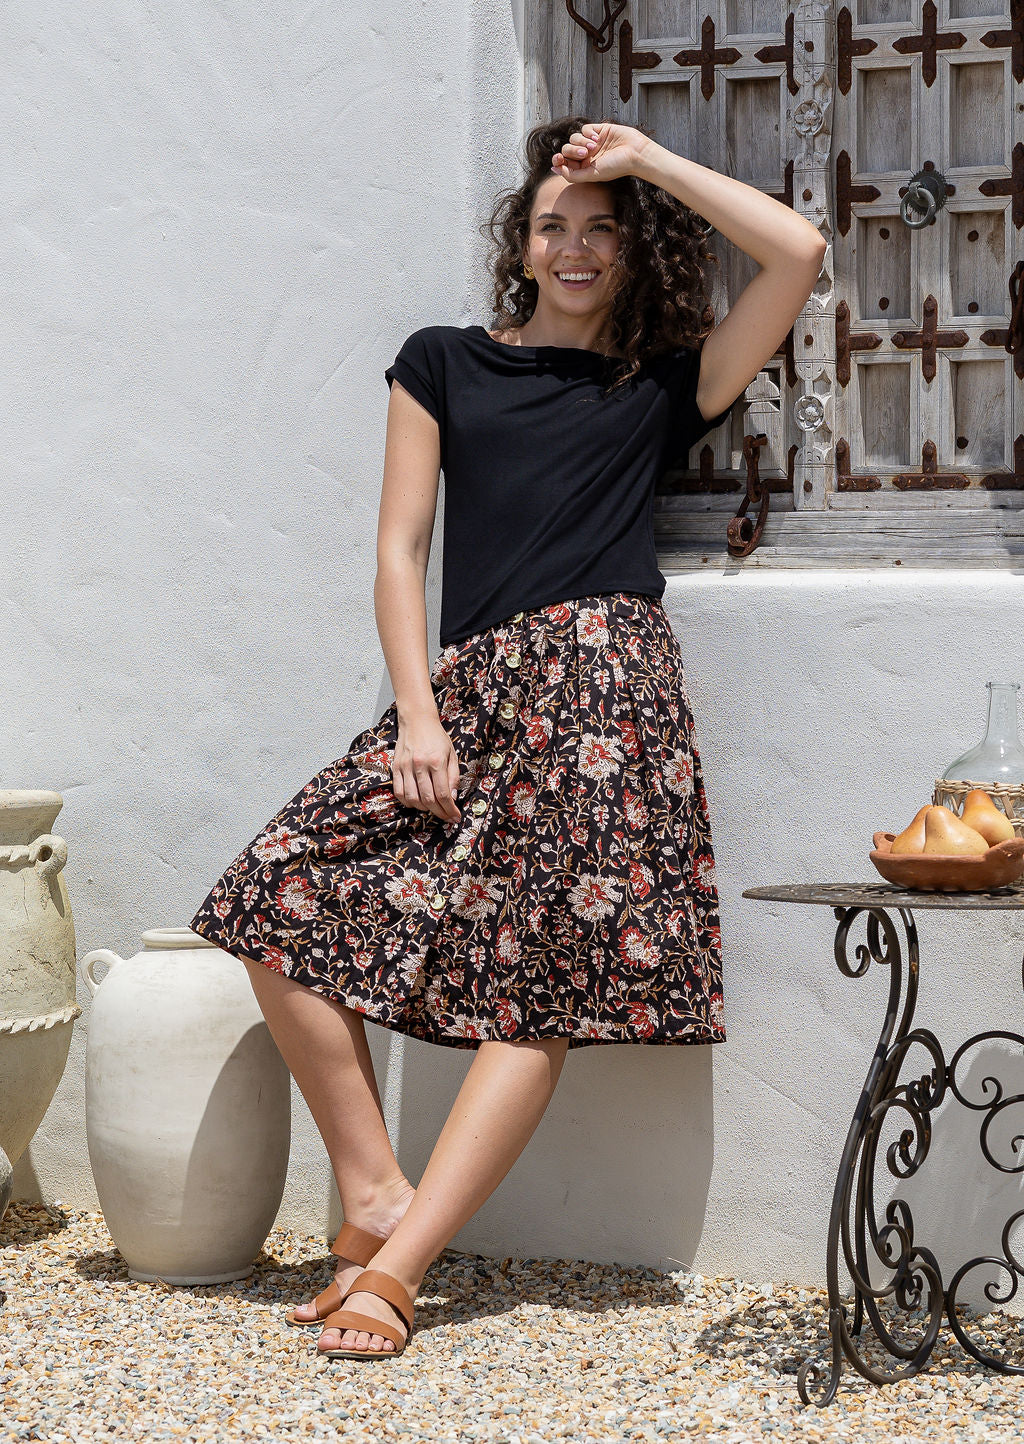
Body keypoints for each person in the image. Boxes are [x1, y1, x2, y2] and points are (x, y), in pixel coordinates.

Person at [187, 115, 826, 1361]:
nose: (575, 248)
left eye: (600, 231)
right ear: (519, 247)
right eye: (552, 225)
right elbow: (397, 549)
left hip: (607, 693)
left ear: (633, 255)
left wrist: (642, 163)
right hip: (472, 690)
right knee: (270, 891)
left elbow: (796, 251)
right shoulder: (442, 361)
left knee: (540, 989)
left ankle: (399, 1272)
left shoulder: (660, 383)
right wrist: (417, 712)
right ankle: (374, 1193)